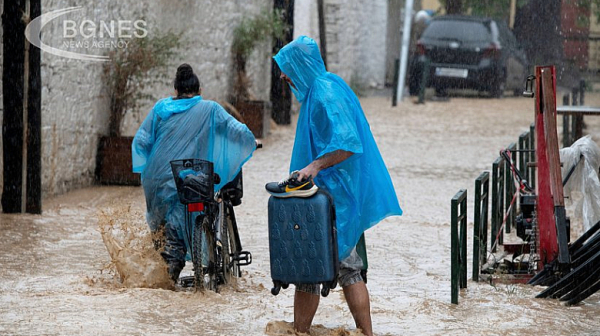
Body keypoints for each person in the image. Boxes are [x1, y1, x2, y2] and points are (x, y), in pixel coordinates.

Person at [268, 36, 403, 336]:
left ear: (300, 66)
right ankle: (315, 332)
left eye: (286, 67)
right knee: (324, 268)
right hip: (327, 196)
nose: (282, 75)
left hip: (336, 197)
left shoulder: (326, 94)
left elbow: (348, 144)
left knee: (337, 268)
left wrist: (314, 167)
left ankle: (355, 333)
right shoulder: (323, 87)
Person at [132, 63, 257, 282]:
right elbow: (236, 130)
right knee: (180, 220)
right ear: (199, 92)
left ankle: (159, 275)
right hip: (186, 175)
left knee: (161, 229)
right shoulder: (209, 109)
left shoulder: (161, 108)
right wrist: (251, 142)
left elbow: (141, 141)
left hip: (156, 178)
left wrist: (147, 165)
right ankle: (173, 266)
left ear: (175, 91)